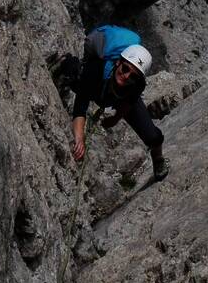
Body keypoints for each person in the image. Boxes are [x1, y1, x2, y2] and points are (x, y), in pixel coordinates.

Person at [61, 25, 168, 181]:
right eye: (125, 69)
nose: (126, 76)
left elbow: (129, 103)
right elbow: (80, 107)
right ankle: (67, 61)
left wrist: (115, 118)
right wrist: (79, 138)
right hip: (98, 83)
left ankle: (158, 160)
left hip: (118, 95)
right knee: (75, 78)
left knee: (152, 136)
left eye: (133, 76)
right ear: (118, 62)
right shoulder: (95, 69)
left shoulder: (137, 84)